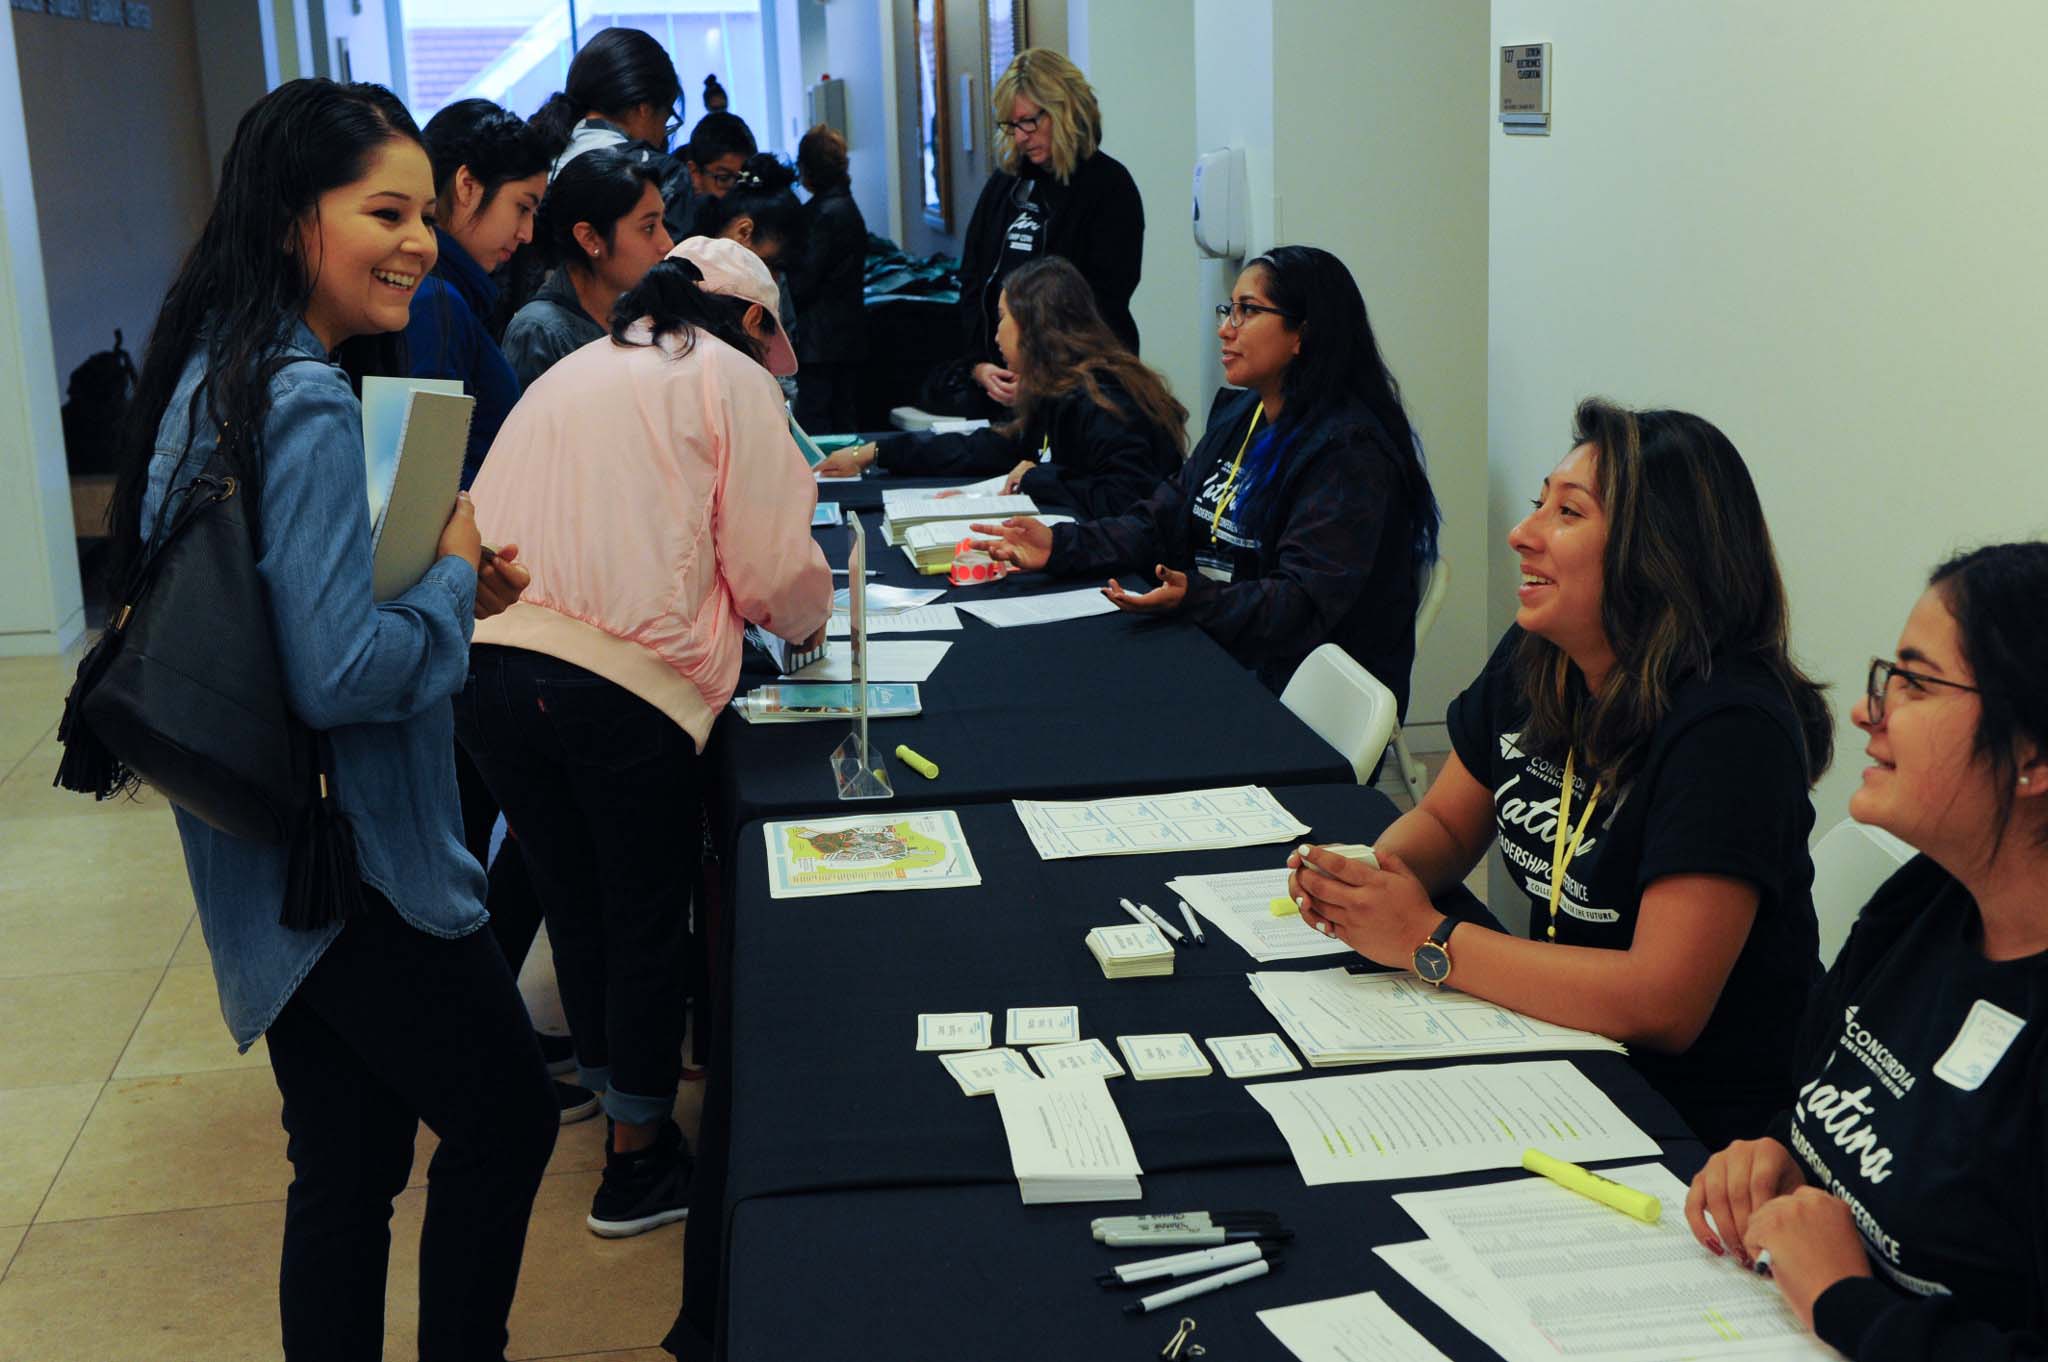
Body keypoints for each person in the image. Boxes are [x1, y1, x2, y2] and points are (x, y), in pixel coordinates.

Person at [102, 78, 551, 1359]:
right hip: (358, 869)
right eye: (384, 210)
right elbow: (342, 675)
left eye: (425, 210)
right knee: (506, 1124)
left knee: (346, 1175)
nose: (420, 239)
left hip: (270, 864)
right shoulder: (297, 401)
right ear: (296, 219)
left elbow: (289, 608)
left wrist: (442, 574)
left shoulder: (212, 373)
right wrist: (455, 583)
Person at [1284, 398, 1834, 1150]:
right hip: (1562, 1049)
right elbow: (1446, 823)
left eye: (1566, 513)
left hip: (1694, 1125)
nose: (1522, 533)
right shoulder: (1539, 654)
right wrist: (1376, 877)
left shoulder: (1728, 727)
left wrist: (1426, 937)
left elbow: (1661, 1003)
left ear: (1656, 552)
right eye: (1541, 502)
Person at [458, 238, 831, 1238]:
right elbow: (769, 568)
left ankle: (610, 1094)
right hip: (620, 683)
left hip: (486, 664)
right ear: (752, 323)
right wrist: (810, 625)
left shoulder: (579, 364)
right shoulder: (729, 380)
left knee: (571, 902)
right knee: (643, 916)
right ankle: (636, 1165)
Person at [1682, 542, 2048, 1357]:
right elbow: (1832, 1101)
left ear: (2031, 755)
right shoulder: (1924, 899)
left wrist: (1846, 1302)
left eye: (1915, 683)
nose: (1867, 712)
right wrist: (1778, 1153)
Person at [971, 246, 1437, 707]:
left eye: (1247, 312)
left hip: (1292, 691)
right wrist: (1061, 545)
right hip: (1220, 646)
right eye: (1228, 310)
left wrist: (1193, 598)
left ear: (1302, 334)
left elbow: (1299, 606)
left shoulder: (1348, 454)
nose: (1224, 329)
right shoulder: (1243, 416)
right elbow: (1157, 520)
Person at [818, 256, 1183, 518]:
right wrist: (879, 452)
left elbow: (1125, 498)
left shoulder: (1102, 400)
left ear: (1034, 326)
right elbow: (991, 446)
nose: (995, 335)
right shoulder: (1059, 390)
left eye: (1003, 319)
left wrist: (1038, 478)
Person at [928, 47, 1143, 420]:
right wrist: (978, 364)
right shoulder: (1004, 186)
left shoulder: (1110, 187)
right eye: (1012, 126)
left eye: (1029, 121)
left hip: (1082, 393)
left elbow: (1104, 303)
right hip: (1000, 391)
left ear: (1065, 110)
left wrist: (1043, 374)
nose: (1022, 137)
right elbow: (974, 280)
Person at [407, 98, 548, 486]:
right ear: (467, 185)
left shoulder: (443, 296)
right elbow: (429, 483)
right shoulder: (435, 303)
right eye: (522, 207)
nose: (527, 233)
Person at [502, 148, 673, 389]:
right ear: (590, 238)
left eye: (662, 223)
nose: (667, 244)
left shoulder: (639, 315)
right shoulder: (539, 332)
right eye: (648, 227)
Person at [530, 27, 693, 241]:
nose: (663, 133)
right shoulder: (661, 172)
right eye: (665, 119)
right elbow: (670, 270)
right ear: (644, 108)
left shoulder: (538, 161)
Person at [787, 122, 867, 434]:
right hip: (848, 334)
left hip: (819, 341)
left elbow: (803, 282)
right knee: (843, 418)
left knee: (818, 424)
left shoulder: (821, 215)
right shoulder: (846, 206)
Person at [682, 110, 758, 235]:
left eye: (745, 179)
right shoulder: (681, 236)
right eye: (724, 179)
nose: (736, 191)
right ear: (694, 173)